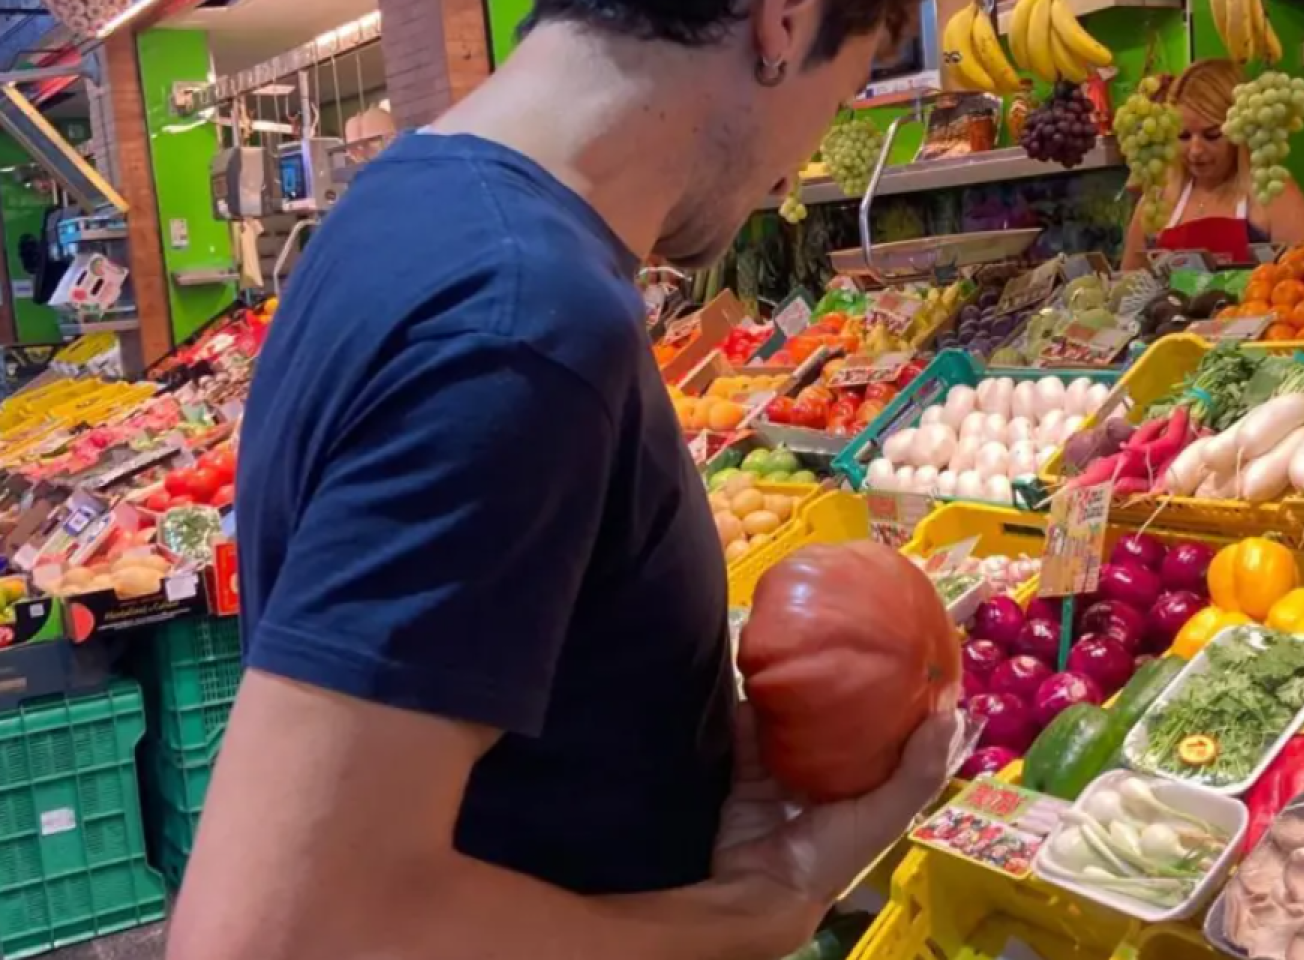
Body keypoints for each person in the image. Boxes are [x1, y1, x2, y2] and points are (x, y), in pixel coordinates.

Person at [165, 0, 960, 957]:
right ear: (783, 22)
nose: (795, 168)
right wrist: (749, 912)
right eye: (839, 97)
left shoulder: (404, 203)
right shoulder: (523, 326)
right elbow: (271, 936)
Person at [1121, 59, 1304, 268]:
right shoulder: (1157, 199)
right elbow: (1128, 288)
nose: (1196, 150)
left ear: (1239, 131)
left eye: (1212, 135)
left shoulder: (1271, 193)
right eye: (1183, 136)